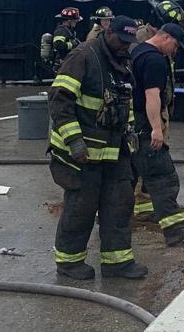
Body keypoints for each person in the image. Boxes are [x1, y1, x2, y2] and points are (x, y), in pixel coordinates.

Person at [47, 15, 147, 280]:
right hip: (81, 154)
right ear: (108, 32)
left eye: (130, 41)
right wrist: (75, 141)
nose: (127, 46)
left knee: (119, 205)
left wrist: (131, 141)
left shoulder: (122, 60)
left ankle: (117, 263)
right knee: (81, 207)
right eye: (122, 40)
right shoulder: (82, 56)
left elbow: (124, 106)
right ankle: (68, 262)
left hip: (114, 151)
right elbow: (59, 102)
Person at [131, 23, 184, 245]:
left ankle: (108, 219)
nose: (174, 51)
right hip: (145, 124)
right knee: (163, 176)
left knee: (127, 176)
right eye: (175, 45)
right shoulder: (155, 60)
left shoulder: (137, 51)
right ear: (166, 38)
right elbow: (152, 96)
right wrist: (156, 129)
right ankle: (174, 228)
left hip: (130, 123)